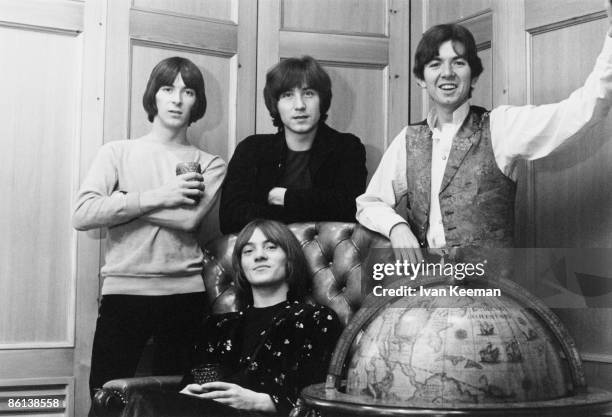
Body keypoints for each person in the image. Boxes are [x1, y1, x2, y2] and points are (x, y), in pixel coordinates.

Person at [356, 2, 612, 264]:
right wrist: (395, 227)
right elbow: (369, 202)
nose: (447, 73)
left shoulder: (501, 127)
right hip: (425, 285)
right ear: (421, 79)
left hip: (491, 291)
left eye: (458, 63)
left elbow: (583, 110)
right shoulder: (409, 139)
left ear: (474, 76)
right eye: (435, 64)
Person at [72, 57, 226, 402]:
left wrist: (123, 202)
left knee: (181, 402)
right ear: (153, 96)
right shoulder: (117, 152)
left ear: (196, 101)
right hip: (124, 292)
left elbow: (189, 220)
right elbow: (83, 213)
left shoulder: (209, 163)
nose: (176, 99)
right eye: (167, 89)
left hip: (185, 296)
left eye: (187, 91)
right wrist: (161, 196)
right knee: (106, 400)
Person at [121, 219, 343, 417]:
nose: (259, 255)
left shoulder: (316, 319)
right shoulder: (217, 326)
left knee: (143, 404)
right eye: (248, 251)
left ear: (290, 259)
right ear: (241, 266)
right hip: (206, 413)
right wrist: (186, 392)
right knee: (144, 401)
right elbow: (195, 383)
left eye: (271, 247)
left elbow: (319, 399)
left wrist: (258, 401)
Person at [220, 56, 367, 234]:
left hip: (329, 258)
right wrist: (312, 206)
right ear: (275, 104)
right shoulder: (252, 149)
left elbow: (350, 209)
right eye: (288, 95)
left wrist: (283, 197)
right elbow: (230, 218)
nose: (300, 105)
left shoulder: (346, 147)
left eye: (308, 93)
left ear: (323, 100)